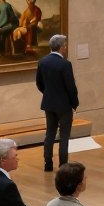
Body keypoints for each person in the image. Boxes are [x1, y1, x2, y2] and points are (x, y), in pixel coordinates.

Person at [36, 34, 79, 172]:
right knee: (64, 136)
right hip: (64, 105)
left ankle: (48, 164)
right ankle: (63, 165)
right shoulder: (65, 64)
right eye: (65, 46)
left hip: (49, 104)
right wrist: (75, 103)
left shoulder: (42, 61)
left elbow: (39, 83)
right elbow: (70, 87)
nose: (66, 48)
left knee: (49, 134)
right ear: (61, 47)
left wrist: (48, 94)